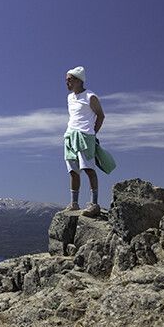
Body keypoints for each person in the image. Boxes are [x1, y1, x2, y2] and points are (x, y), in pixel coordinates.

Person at [64, 66, 104, 217]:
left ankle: (94, 204)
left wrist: (93, 133)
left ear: (78, 80)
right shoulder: (70, 98)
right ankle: (74, 203)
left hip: (85, 135)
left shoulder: (90, 97)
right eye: (66, 80)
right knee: (73, 171)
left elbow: (100, 115)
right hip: (70, 135)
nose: (67, 83)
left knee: (88, 168)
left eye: (69, 80)